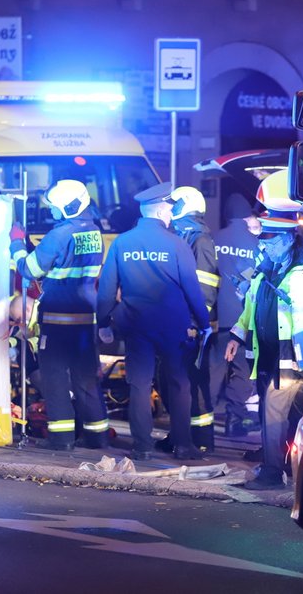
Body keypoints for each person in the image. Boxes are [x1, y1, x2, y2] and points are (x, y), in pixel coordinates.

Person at [97, 182, 211, 461]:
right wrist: (204, 322)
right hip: (174, 326)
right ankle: (184, 445)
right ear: (161, 210)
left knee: (139, 384)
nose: (172, 213)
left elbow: (107, 288)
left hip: (136, 325)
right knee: (179, 383)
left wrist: (103, 323)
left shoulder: (122, 243)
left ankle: (142, 446)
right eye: (170, 209)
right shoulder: (176, 244)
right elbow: (192, 288)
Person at [225, 212, 303, 489]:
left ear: (288, 240)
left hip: (294, 354)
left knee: (273, 411)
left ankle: (273, 473)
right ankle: (291, 466)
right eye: (264, 242)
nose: (267, 247)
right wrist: (237, 337)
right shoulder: (266, 267)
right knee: (291, 413)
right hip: (267, 352)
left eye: (272, 242)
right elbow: (251, 305)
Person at [10, 179, 110, 451]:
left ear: (69, 207)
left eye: (54, 207)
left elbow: (30, 269)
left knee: (54, 380)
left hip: (57, 320)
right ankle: (97, 437)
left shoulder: (59, 234)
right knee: (86, 380)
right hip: (85, 319)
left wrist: (17, 244)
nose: (51, 212)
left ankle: (62, 439)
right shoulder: (93, 230)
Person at [160, 185, 219, 453]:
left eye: (174, 204)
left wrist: (195, 323)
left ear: (187, 204)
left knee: (192, 382)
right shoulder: (182, 234)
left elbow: (205, 288)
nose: (170, 208)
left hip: (191, 326)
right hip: (177, 322)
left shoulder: (200, 240)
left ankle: (202, 439)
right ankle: (181, 434)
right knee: (173, 381)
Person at [210, 194, 261, 438]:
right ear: (246, 216)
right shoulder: (255, 243)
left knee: (213, 370)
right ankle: (234, 420)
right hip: (244, 320)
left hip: (215, 318)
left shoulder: (213, 239)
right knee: (242, 371)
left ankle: (202, 422)